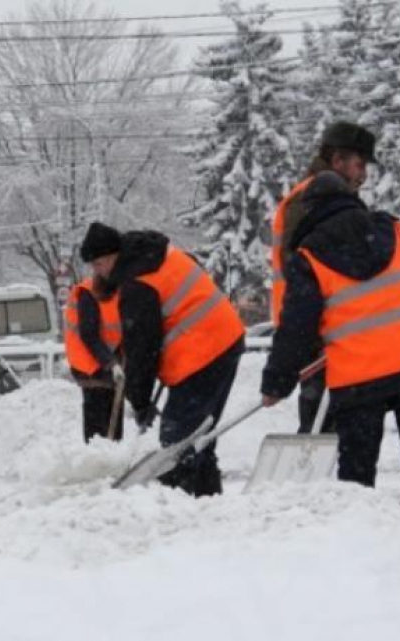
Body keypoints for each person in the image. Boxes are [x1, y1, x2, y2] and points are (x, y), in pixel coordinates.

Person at [260, 169, 400, 520]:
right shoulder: (395, 230)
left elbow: (297, 328)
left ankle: (360, 534)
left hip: (360, 380)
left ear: (312, 210)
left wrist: (277, 382)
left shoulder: (309, 258)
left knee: (358, 467)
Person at [86, 223, 245, 497]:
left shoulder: (138, 284)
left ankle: (182, 502)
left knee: (177, 443)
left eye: (99, 263)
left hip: (204, 352)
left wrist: (140, 401)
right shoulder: (157, 254)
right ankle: (207, 502)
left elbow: (142, 350)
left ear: (114, 255)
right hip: (223, 339)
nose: (97, 272)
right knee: (197, 439)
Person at [270, 122, 377, 434]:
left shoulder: (328, 199)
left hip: (325, 323)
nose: (364, 174)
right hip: (315, 325)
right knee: (321, 414)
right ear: (337, 160)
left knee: (335, 412)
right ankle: (319, 476)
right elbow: (305, 269)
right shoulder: (312, 201)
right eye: (360, 164)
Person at [65, 222, 124, 443]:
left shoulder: (116, 288)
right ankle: (98, 464)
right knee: (99, 424)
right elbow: (88, 334)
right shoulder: (88, 293)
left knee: (112, 420)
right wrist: (112, 363)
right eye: (94, 265)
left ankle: (112, 459)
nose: (97, 269)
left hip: (106, 364)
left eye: (99, 263)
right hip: (90, 367)